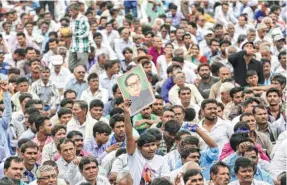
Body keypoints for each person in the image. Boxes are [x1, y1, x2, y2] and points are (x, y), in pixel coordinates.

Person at [122, 100, 170, 185]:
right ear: (139, 148)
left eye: (153, 144)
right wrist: (126, 113)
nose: (151, 148)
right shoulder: (134, 157)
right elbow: (129, 136)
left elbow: (165, 181)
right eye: (147, 146)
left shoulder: (162, 160)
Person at [68, 3, 90, 72]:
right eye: (70, 10)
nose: (70, 12)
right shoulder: (71, 19)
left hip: (82, 46)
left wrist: (73, 32)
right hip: (73, 46)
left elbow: (86, 32)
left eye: (72, 10)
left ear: (77, 10)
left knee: (82, 68)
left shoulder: (83, 18)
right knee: (71, 66)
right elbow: (71, 31)